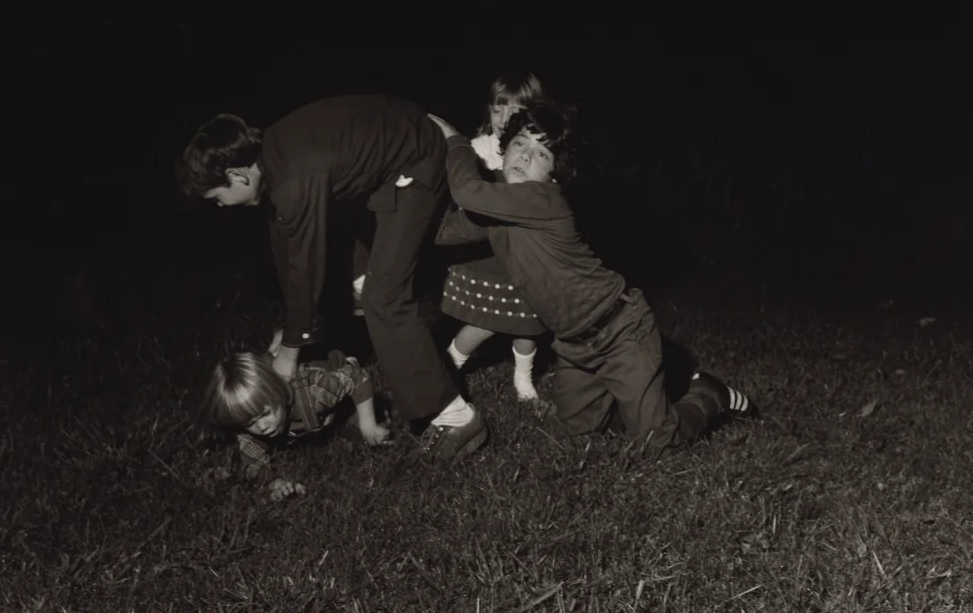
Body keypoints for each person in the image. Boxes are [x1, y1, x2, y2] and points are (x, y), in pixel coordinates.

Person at [428, 100, 754, 455]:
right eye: (521, 144)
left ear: (554, 173)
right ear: (505, 149)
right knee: (570, 437)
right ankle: (628, 402)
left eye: (541, 154)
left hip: (621, 332)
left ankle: (709, 394)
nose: (524, 156)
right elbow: (442, 232)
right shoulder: (497, 208)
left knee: (656, 442)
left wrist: (455, 142)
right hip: (574, 345)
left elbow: (467, 192)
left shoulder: (544, 200)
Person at [176, 95, 489, 460]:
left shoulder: (294, 177)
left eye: (216, 198)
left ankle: (458, 418)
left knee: (383, 297)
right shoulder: (273, 161)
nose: (220, 207)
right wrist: (291, 330)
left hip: (417, 159)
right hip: (383, 168)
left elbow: (305, 261)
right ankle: (368, 334)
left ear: (236, 176)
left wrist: (291, 351)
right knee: (360, 287)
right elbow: (287, 248)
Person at [437, 72, 551, 401]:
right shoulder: (476, 149)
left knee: (529, 317)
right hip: (486, 254)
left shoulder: (538, 149)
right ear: (488, 111)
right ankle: (450, 365)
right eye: (498, 109)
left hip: (525, 253)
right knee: (486, 320)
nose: (505, 119)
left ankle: (523, 378)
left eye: (516, 111)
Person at [201, 350, 389, 500]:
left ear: (278, 391)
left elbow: (357, 378)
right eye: (249, 423)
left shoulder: (315, 392)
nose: (262, 426)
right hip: (316, 417)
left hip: (331, 381)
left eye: (265, 413)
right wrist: (275, 483)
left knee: (356, 427)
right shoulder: (250, 430)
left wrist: (369, 425)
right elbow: (253, 462)